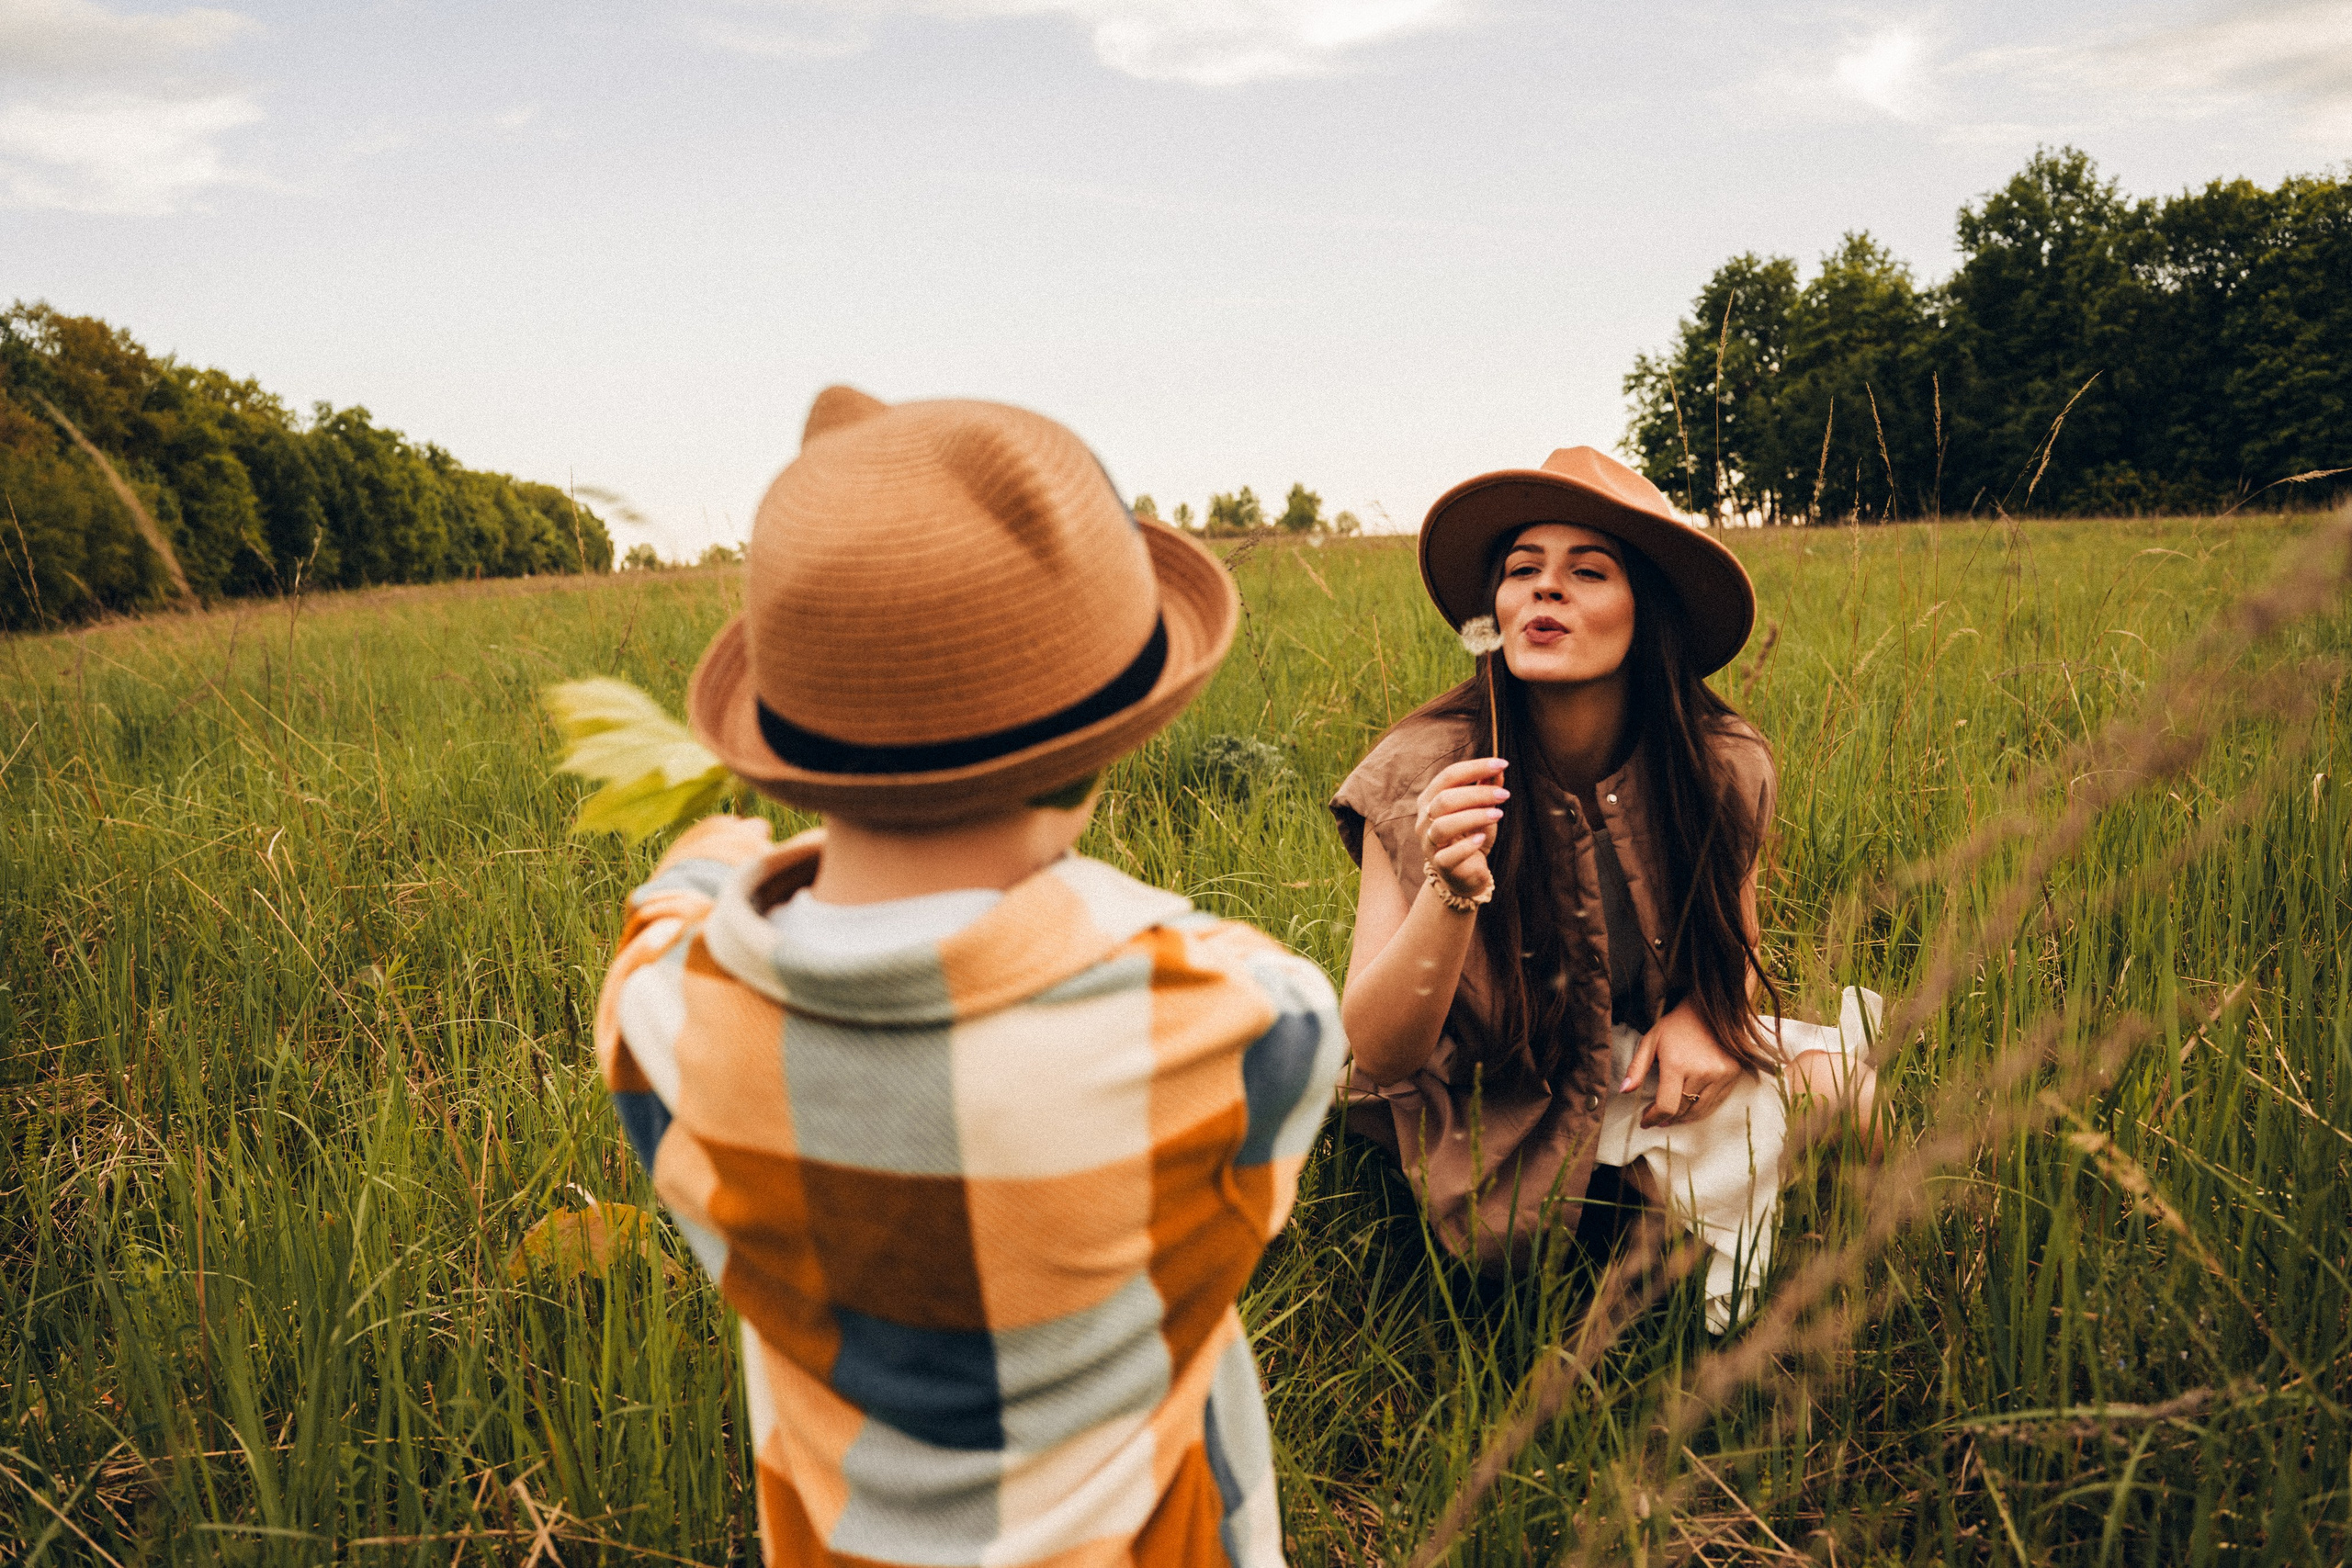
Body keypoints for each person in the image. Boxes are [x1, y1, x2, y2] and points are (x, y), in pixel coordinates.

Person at [595, 387, 1346, 1567]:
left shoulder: (664, 1018)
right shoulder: (1244, 1018)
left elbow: (666, 918)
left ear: (792, 755)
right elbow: (1235, 979)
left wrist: (715, 855)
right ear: (1095, 752)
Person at [1331, 446, 1877, 1329]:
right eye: (1522, 570)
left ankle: (1843, 1301)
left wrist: (1706, 1017)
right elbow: (1379, 1048)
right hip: (1494, 1093)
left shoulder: (1718, 762)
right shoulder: (1420, 769)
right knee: (1612, 1255)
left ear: (1646, 609)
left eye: (1588, 571)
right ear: (1497, 607)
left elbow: (1736, 946)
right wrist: (1448, 888)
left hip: (1639, 1064)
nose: (1545, 589)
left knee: (1851, 1096)